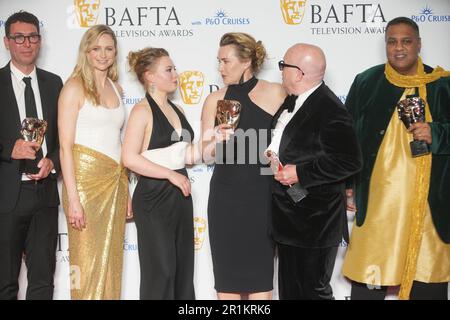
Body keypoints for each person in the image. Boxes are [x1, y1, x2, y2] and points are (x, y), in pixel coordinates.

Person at [342, 17, 450, 300]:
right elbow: (344, 137)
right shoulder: (366, 81)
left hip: (428, 207)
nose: (398, 48)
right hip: (379, 205)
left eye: (406, 41)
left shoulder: (442, 84)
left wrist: (435, 133)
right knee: (370, 283)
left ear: (419, 44)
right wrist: (347, 185)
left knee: (427, 282)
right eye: (392, 41)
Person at [269, 43, 362, 300]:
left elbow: (349, 160)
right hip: (289, 219)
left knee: (312, 293)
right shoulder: (293, 100)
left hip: (316, 222)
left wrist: (301, 172)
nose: (280, 72)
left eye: (283, 66)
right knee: (290, 293)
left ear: (298, 73)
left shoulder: (330, 109)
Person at [201, 32, 286, 300]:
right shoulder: (214, 100)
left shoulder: (276, 92)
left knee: (261, 280)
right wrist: (215, 140)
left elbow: (293, 141)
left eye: (226, 61)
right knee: (226, 282)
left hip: (262, 198)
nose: (221, 68)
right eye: (219, 61)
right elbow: (205, 155)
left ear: (246, 60)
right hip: (225, 199)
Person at [58, 24, 131, 300]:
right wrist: (73, 200)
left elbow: (118, 142)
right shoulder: (73, 88)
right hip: (85, 186)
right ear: (86, 52)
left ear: (115, 53)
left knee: (111, 263)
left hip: (114, 183)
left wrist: (125, 189)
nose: (103, 54)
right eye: (96, 48)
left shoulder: (117, 88)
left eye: (109, 48)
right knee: (86, 265)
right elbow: (65, 148)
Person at [122, 47, 199, 300]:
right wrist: (170, 175)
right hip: (154, 197)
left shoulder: (179, 110)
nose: (176, 74)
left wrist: (215, 141)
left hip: (181, 196)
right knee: (162, 271)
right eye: (169, 69)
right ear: (150, 76)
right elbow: (129, 158)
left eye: (174, 68)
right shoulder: (141, 111)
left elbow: (186, 155)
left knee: (182, 271)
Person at [0, 11, 63, 300]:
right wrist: (7, 148)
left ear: (40, 40)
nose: (27, 43)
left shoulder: (54, 83)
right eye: (19, 37)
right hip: (7, 196)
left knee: (42, 282)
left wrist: (54, 162)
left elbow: (64, 141)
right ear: (7, 42)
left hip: (45, 193)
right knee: (5, 283)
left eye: (33, 37)